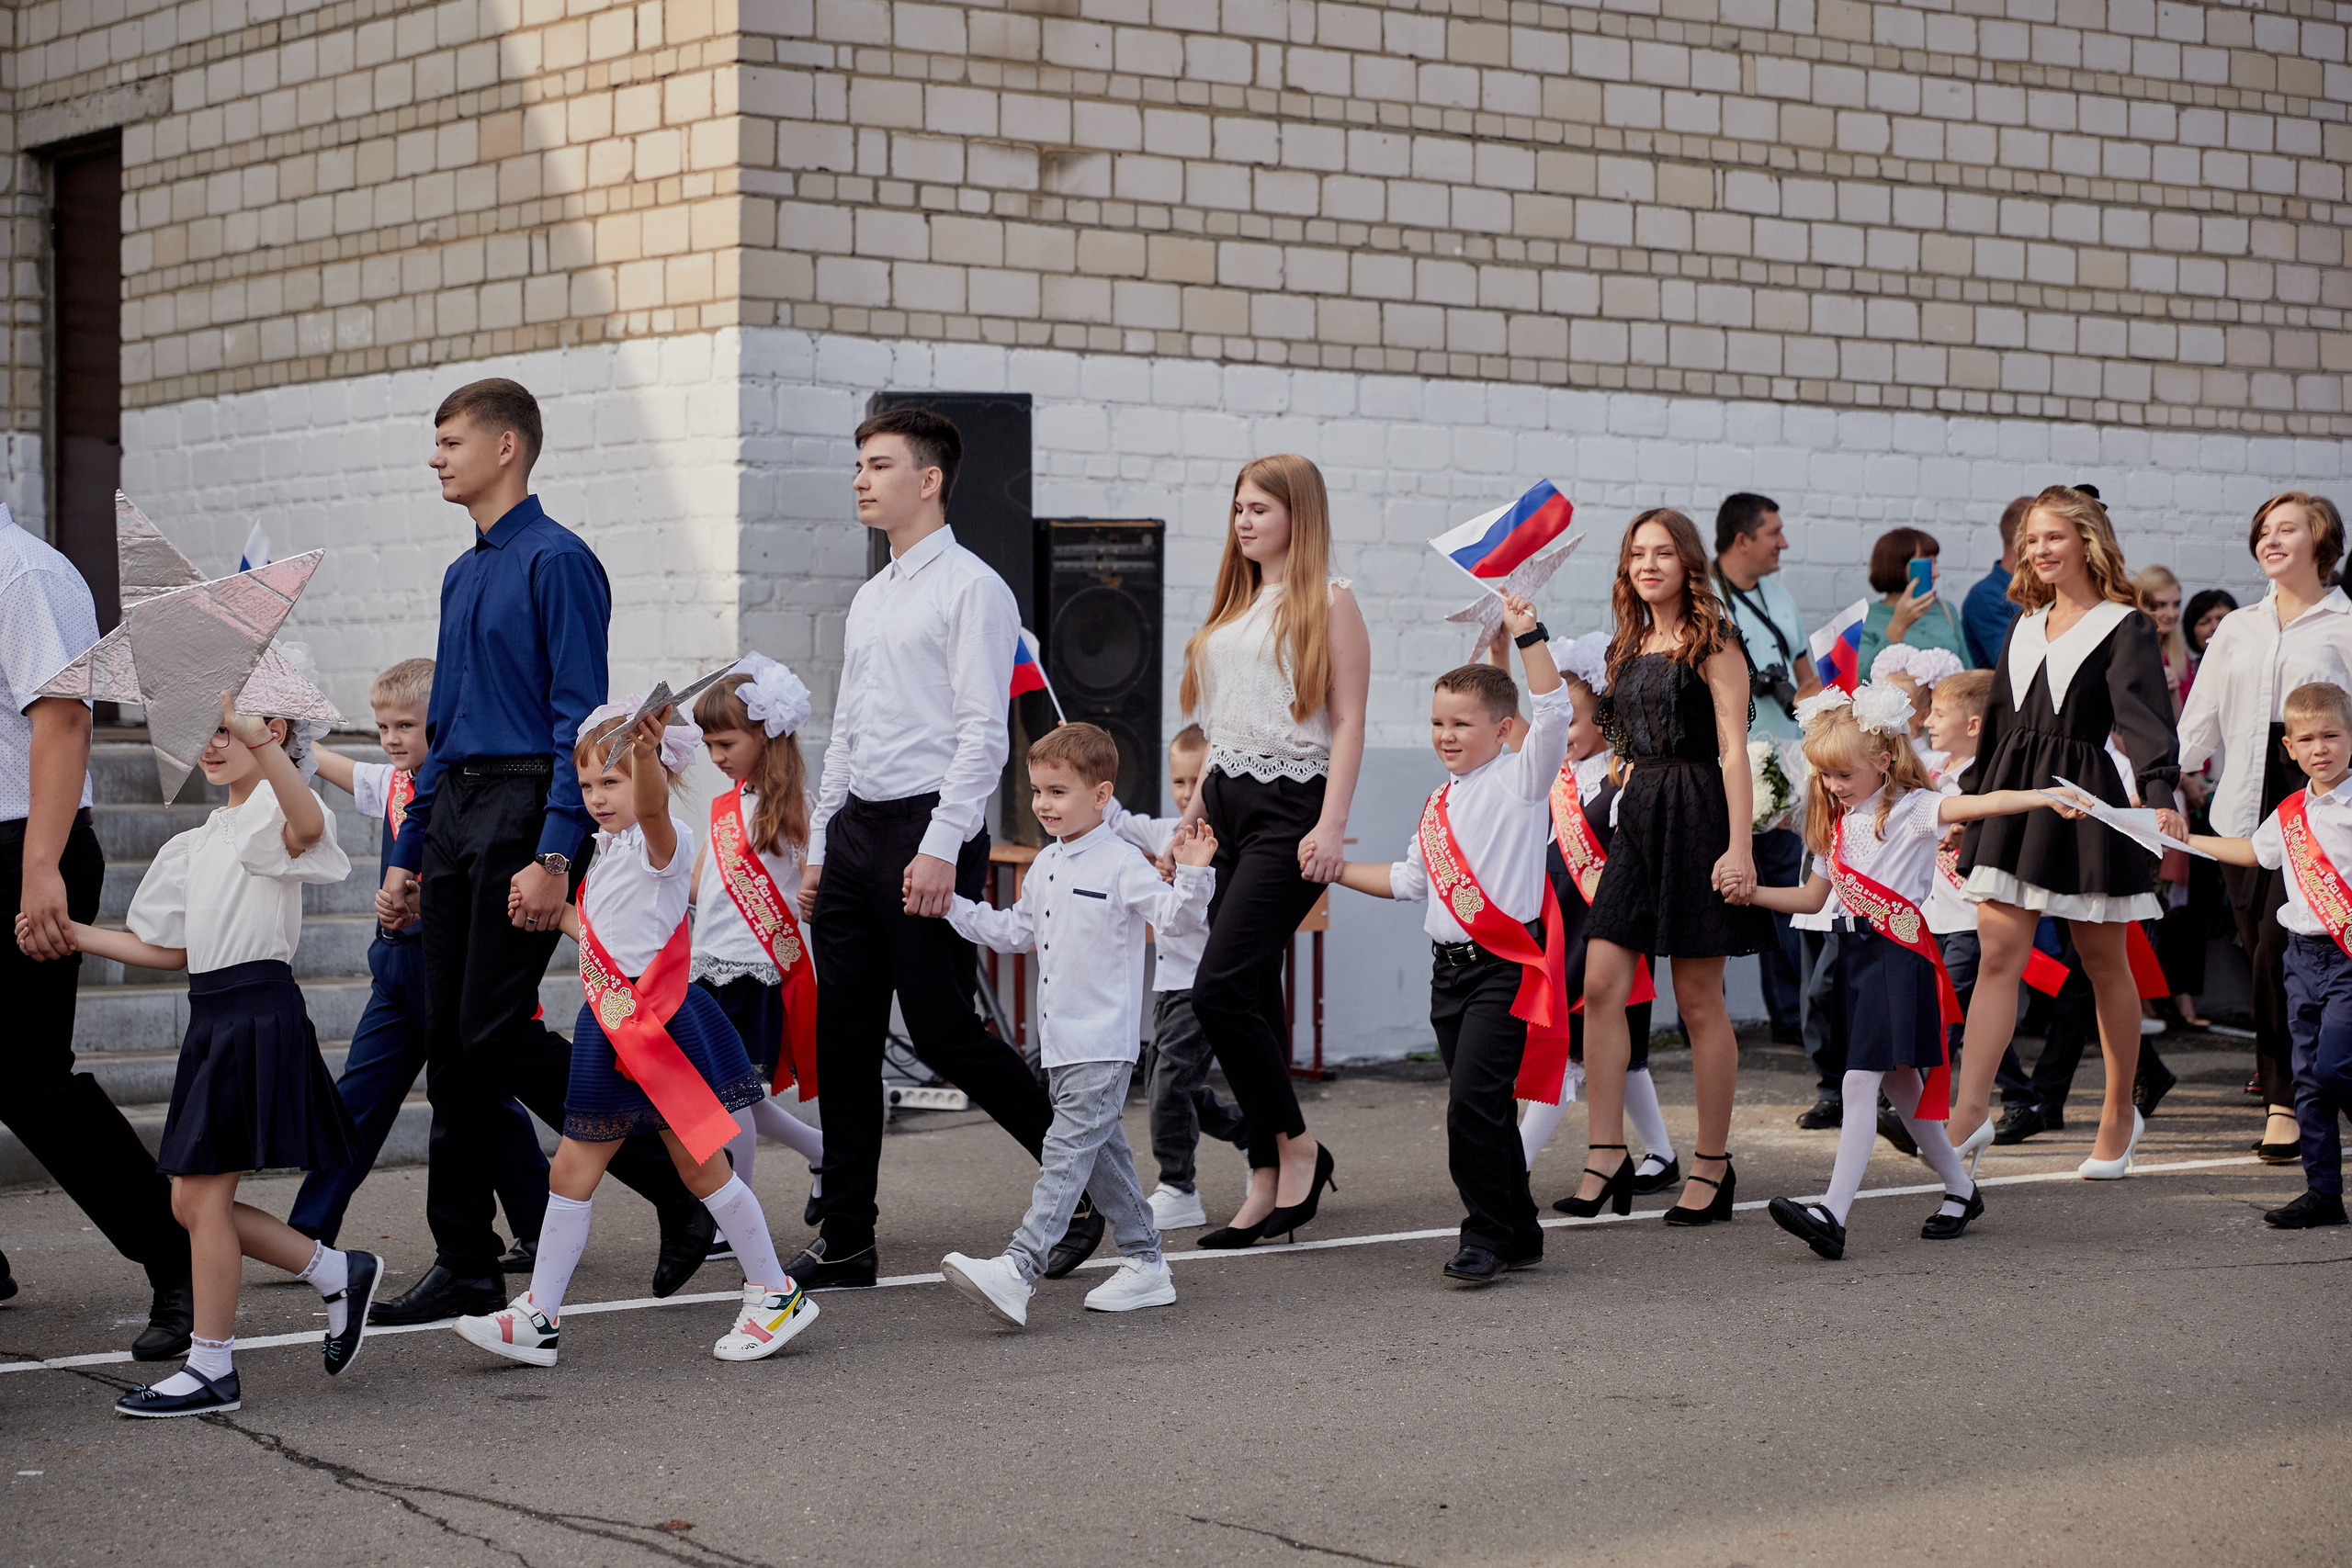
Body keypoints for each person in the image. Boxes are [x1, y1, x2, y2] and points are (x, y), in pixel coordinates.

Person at [371, 378, 711, 1326]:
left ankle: (678, 1187)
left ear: (507, 446)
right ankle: (467, 1262)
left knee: (487, 1035)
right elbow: (440, 726)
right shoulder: (460, 572)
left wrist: (556, 849)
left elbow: (581, 718)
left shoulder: (559, 561)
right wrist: (407, 848)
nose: (435, 458)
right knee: (454, 1045)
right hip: (454, 812)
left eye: (449, 441)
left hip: (526, 807)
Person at [793, 406, 1088, 1289]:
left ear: (928, 480)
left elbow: (980, 736)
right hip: (855, 835)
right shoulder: (870, 595)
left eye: (878, 464)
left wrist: (937, 844)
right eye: (857, 464)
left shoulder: (973, 587)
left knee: (945, 1030)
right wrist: (818, 846)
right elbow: (845, 731)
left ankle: (1076, 1194)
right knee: (841, 1037)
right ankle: (846, 1237)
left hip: (930, 831)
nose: (860, 478)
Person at [28, 695, 373, 1417]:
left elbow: (308, 825)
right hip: (213, 1015)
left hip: (258, 1011)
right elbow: (171, 951)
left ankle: (213, 1366)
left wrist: (265, 745)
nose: (211, 746)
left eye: (228, 731)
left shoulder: (281, 813)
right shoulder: (201, 838)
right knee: (189, 1201)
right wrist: (74, 933)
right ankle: (338, 1270)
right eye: (205, 732)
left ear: (270, 732)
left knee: (205, 1200)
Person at [453, 703, 818, 1367]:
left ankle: (775, 1291)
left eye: (611, 782)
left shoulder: (664, 839)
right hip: (612, 1025)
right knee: (572, 1168)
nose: (597, 797)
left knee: (701, 1169)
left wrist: (643, 758)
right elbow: (613, 941)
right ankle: (540, 1314)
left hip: (660, 1027)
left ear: (654, 774)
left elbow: (651, 810)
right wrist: (563, 914)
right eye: (588, 784)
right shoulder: (607, 849)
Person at [1740, 682, 2067, 1259]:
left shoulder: (1914, 809)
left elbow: (1978, 805)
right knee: (1901, 1084)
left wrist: (2041, 797)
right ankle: (1963, 1189)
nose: (1834, 786)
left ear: (1883, 761)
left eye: (1844, 774)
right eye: (1826, 776)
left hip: (1899, 955)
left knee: (1860, 1081)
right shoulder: (1834, 825)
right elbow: (1814, 900)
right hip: (1857, 959)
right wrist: (1752, 893)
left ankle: (1833, 1213)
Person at [937, 723, 1216, 1326]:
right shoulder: (1044, 864)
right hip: (1059, 1043)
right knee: (1100, 1157)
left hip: (1103, 1043)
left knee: (1065, 1153)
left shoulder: (1121, 861)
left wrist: (1193, 872)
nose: (1043, 803)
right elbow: (1015, 930)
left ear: (1101, 793)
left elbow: (1174, 919)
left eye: (1058, 791)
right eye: (1039, 790)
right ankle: (1147, 1265)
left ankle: (1018, 1268)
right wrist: (950, 907)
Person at [1327, 594, 1568, 1285]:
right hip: (1449, 973)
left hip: (1505, 967)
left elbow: (1553, 713)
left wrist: (1527, 636)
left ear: (1501, 729)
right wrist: (1335, 867)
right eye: (1437, 721)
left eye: (1462, 722)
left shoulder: (1523, 779)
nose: (1446, 734)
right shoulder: (1439, 803)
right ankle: (1519, 1229)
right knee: (1481, 1108)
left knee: (1471, 1107)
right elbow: (1409, 880)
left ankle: (1487, 1234)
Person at [0, 502, 193, 1360]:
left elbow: (65, 719)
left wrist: (41, 868)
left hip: (23, 845)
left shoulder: (26, 573)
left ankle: (180, 1255)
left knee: (31, 1078)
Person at [1948, 486, 2185, 1178]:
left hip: (2085, 806)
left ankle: (2118, 1111)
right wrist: (1969, 806)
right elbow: (1995, 731)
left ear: (2087, 540)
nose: (2039, 550)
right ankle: (1968, 1113)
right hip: (2016, 799)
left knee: (2104, 962)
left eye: (2053, 536)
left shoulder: (2126, 625)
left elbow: (2146, 722)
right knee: (1999, 953)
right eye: (2031, 539)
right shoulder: (2024, 623)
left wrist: (2162, 793)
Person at [288, 658, 550, 1261]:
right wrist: (277, 723)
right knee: (358, 1094)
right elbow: (317, 761)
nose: (391, 739)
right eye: (382, 727)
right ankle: (308, 1228)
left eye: (406, 725)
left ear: (443, 724)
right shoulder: (390, 782)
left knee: (483, 1098)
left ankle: (537, 1224)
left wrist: (422, 900)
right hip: (397, 970)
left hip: (452, 968)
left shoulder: (469, 795)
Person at [1179, 454, 1369, 1246]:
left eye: (1260, 507)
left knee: (1217, 987)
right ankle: (1265, 1172)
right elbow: (1222, 729)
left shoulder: (1330, 601)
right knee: (1253, 991)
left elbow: (1350, 720)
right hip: (1226, 803)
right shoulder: (1236, 603)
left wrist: (1330, 824)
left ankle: (1297, 1145)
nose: (1244, 520)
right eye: (1238, 508)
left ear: (1300, 513)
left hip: (1293, 805)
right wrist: (1189, 812)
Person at [1566, 509, 1773, 1226]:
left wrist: (1739, 845)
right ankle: (1605, 1153)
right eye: (1636, 554)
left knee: (1696, 998)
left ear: (1688, 562)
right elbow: (1612, 739)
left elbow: (1734, 748)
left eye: (1661, 552)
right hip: (1640, 812)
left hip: (1698, 811)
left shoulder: (1714, 638)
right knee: (1600, 982)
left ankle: (1712, 1166)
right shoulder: (1628, 642)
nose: (1647, 564)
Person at [2177, 493, 2352, 1166]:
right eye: (2263, 531)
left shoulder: (2343, 623)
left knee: (2280, 947)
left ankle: (2285, 1098)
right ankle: (2307, 1084)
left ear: (2322, 542)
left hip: (2320, 811)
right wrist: (2158, 783)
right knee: (2265, 956)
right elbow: (2200, 719)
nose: (2271, 540)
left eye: (2288, 529)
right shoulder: (2238, 628)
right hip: (2244, 810)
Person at [1510, 633, 1673, 1201]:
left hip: (1608, 921)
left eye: (1575, 722)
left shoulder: (1624, 776)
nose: (1565, 734)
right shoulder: (1557, 775)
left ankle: (1513, 1166)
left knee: (1576, 1052)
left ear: (1608, 719)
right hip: (1561, 925)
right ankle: (1663, 1154)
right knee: (1615, 1051)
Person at [2188, 682, 2352, 1229]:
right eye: (2306, 739)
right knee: (2306, 1077)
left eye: (2331, 735)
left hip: (2347, 954)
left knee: (2334, 1067)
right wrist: (2185, 838)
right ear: (2290, 748)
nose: (2320, 748)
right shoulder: (2288, 812)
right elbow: (2251, 854)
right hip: (2300, 958)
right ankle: (2323, 1193)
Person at [688, 656, 826, 1236]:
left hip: (756, 974)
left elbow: (818, 883)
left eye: (725, 743)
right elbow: (697, 884)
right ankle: (824, 1152)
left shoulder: (798, 811)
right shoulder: (725, 809)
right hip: (707, 969)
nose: (716, 757)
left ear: (766, 736)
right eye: (709, 746)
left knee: (732, 1101)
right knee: (734, 1096)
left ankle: (733, 1216)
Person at [1102, 724, 1250, 1233]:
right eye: (1179, 781)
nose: (1188, 793)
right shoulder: (1165, 829)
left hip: (1203, 983)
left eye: (1198, 781)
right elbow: (1114, 818)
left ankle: (1178, 1186)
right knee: (1175, 1082)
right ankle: (1253, 1130)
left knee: (1168, 1081)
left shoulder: (1222, 840)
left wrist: (1190, 873)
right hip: (1167, 984)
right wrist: (1082, 760)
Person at [1711, 492, 1821, 1047]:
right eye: (1774, 532)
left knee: (1780, 885)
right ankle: (1705, 1020)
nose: (1784, 543)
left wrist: (1812, 714)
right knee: (1710, 892)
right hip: (1720, 765)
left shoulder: (1779, 595)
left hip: (1782, 769)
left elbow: (1809, 678)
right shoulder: (1703, 597)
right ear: (1741, 540)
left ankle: (1788, 1020)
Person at [1854, 527, 1969, 678]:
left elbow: (1968, 672)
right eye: (1927, 564)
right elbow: (1863, 681)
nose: (1936, 573)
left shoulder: (1946, 609)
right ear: (1895, 565)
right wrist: (1898, 626)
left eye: (1936, 563)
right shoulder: (1867, 617)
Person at [1962, 497, 2034, 671]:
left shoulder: (2046, 589)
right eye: (2040, 538)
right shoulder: (1985, 596)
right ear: (2023, 541)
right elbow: (2014, 664)